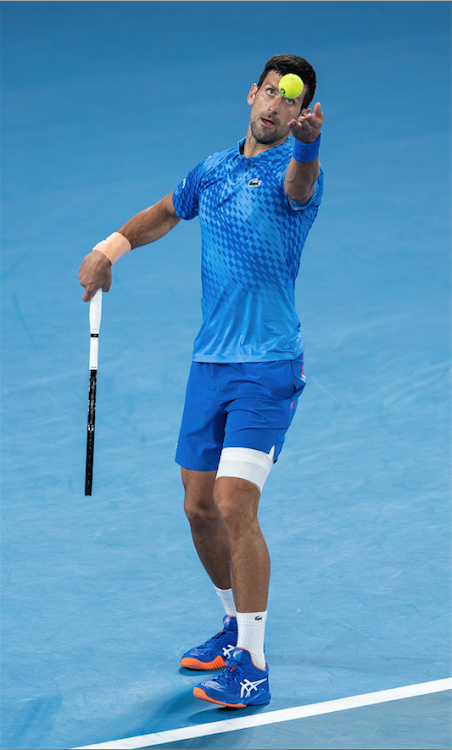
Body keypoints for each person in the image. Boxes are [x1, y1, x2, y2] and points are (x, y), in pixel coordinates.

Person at [79, 53, 324, 708]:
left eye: (289, 101)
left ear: (301, 115)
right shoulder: (213, 171)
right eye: (269, 93)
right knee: (196, 508)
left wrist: (311, 146)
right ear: (252, 94)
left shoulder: (295, 174)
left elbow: (301, 183)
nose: (274, 107)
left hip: (268, 364)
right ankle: (231, 623)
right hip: (210, 362)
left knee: (234, 503)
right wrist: (109, 250)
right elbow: (165, 212)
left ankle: (254, 664)